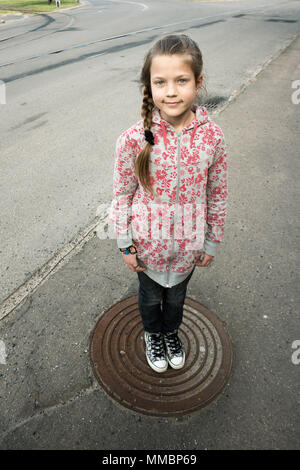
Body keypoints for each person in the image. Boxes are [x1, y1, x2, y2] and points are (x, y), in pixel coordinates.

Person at [109, 34, 228, 374]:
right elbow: (122, 195)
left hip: (189, 248)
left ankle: (170, 333)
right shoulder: (133, 139)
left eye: (181, 80)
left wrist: (211, 241)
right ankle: (152, 334)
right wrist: (124, 242)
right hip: (148, 250)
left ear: (198, 82)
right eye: (160, 82)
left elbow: (217, 193)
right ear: (149, 85)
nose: (171, 91)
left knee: (176, 301)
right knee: (149, 299)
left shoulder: (213, 138)